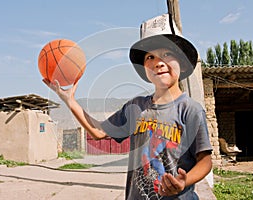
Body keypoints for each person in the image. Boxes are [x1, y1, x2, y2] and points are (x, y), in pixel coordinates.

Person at [44, 13, 212, 200]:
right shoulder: (136, 107)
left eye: (167, 54)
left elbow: (205, 160)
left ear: (180, 62)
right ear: (144, 68)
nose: (158, 62)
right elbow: (98, 132)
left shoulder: (190, 110)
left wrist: (184, 181)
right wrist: (70, 100)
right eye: (150, 57)